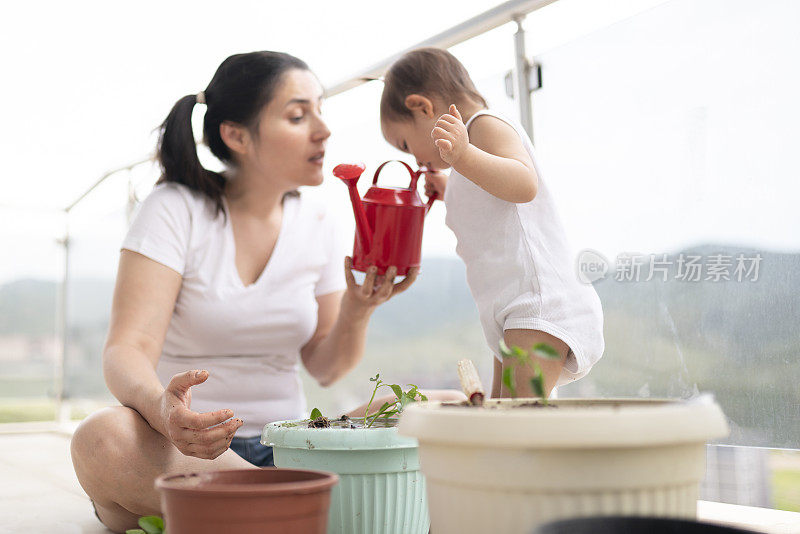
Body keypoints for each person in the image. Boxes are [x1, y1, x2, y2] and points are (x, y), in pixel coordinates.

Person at [70, 51, 461, 533]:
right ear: (237, 136)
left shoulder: (317, 222)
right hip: (181, 454)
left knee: (437, 401)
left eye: (320, 109)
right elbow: (127, 349)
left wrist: (358, 310)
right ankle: (290, 505)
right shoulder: (175, 208)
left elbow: (325, 365)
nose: (323, 129)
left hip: (292, 445)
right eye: (298, 116)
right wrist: (166, 413)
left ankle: (263, 505)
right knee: (101, 438)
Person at [379, 47, 605, 398]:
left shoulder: (484, 125)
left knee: (516, 429)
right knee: (502, 421)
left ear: (422, 107)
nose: (416, 158)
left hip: (536, 303)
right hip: (509, 311)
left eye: (406, 144)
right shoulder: (466, 160)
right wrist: (449, 185)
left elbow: (523, 182)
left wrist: (464, 156)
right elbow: (488, 199)